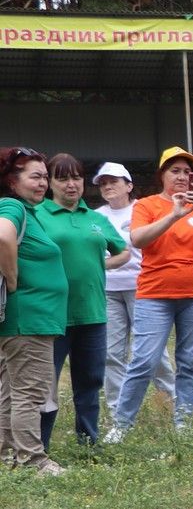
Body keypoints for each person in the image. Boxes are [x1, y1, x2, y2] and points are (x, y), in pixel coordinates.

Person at [105, 146, 193, 442]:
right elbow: (138, 239)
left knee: (190, 361)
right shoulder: (147, 205)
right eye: (175, 171)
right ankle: (121, 425)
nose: (183, 176)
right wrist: (173, 215)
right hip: (154, 294)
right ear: (162, 175)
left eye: (188, 172)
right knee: (144, 360)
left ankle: (183, 421)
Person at [36, 154, 129, 446]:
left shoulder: (96, 218)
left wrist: (99, 266)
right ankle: (40, 446)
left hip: (92, 314)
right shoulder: (37, 216)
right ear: (50, 183)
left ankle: (88, 443)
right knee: (45, 386)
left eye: (76, 177)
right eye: (62, 178)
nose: (71, 184)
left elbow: (122, 251)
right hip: (51, 317)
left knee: (90, 382)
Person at [0, 147, 68, 475]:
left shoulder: (30, 211)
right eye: (34, 176)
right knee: (29, 392)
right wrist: (12, 280)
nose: (42, 183)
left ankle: (8, 456)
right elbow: (2, 237)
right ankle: (33, 460)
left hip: (29, 320)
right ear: (12, 182)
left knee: (12, 391)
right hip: (28, 319)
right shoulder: (12, 206)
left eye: (45, 177)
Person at [94, 162, 175, 418]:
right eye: (103, 183)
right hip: (107, 290)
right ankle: (118, 410)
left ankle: (172, 403)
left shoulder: (143, 209)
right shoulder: (97, 216)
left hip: (143, 289)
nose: (108, 186)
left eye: (114, 182)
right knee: (111, 353)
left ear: (129, 186)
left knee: (153, 351)